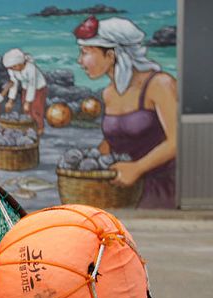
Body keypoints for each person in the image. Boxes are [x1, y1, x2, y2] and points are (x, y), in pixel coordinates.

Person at [75, 15, 177, 208]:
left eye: (85, 52)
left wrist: (138, 168)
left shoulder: (159, 84)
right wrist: (90, 162)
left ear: (111, 55)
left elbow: (176, 141)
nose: (80, 61)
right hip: (121, 188)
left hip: (159, 187)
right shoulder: (108, 93)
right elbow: (114, 139)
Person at [2, 48, 48, 136]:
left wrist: (28, 101)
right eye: (11, 68)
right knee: (26, 109)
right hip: (26, 88)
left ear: (21, 62)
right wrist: (10, 100)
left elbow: (32, 84)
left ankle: (40, 127)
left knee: (36, 108)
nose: (13, 69)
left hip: (38, 87)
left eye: (14, 66)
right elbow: (14, 84)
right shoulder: (12, 70)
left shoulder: (30, 68)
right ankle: (29, 127)